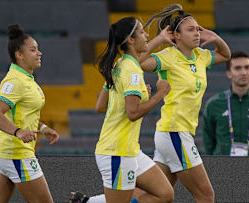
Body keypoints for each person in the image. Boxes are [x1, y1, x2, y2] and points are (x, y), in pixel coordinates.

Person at [71, 17, 174, 203]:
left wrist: (139, 97)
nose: (146, 35)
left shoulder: (120, 65)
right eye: (142, 32)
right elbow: (132, 113)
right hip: (117, 152)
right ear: (130, 40)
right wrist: (161, 94)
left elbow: (100, 106)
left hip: (129, 150)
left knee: (165, 194)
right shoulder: (132, 71)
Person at [135, 4, 231, 202]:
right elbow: (137, 62)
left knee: (154, 196)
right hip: (174, 132)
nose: (197, 33)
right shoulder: (168, 57)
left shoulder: (201, 56)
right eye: (191, 30)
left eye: (198, 29)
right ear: (176, 36)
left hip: (175, 134)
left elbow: (225, 55)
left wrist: (216, 38)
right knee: (206, 196)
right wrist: (159, 40)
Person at [0, 24, 60, 203]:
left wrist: (42, 127)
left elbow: (24, 113)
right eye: (33, 50)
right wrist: (18, 132)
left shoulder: (25, 78)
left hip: (3, 151)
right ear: (19, 55)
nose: (39, 53)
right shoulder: (16, 81)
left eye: (38, 49)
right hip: (15, 152)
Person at [202, 51, 249, 156]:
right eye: (238, 68)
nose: (243, 72)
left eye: (247, 67)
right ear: (228, 73)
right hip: (223, 167)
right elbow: (209, 142)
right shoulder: (214, 104)